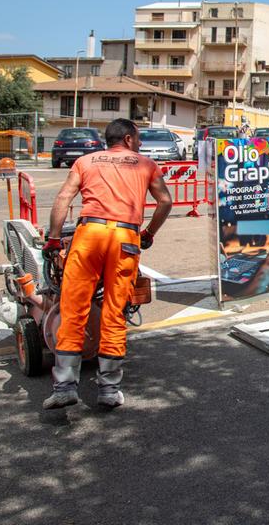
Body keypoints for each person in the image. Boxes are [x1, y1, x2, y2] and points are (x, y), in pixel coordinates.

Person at [41, 118, 172, 410]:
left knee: (73, 309)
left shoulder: (85, 162)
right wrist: (149, 233)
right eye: (137, 139)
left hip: (89, 235)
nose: (139, 144)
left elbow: (63, 197)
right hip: (125, 237)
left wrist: (52, 238)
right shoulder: (145, 164)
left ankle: (64, 387)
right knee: (114, 312)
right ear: (127, 139)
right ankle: (109, 390)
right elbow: (165, 201)